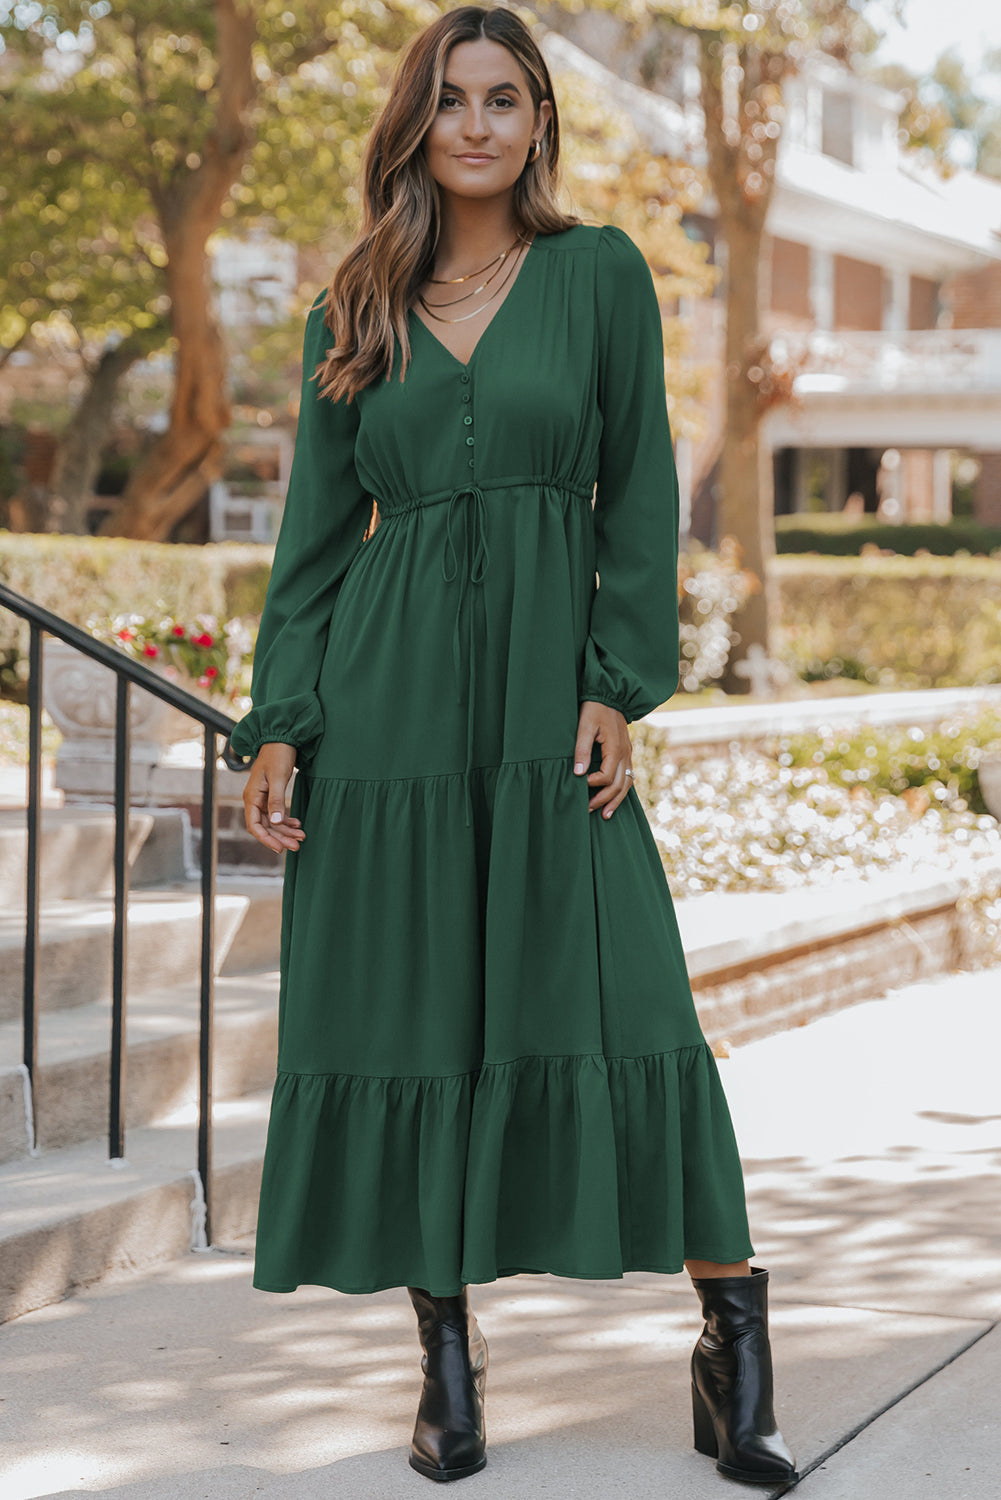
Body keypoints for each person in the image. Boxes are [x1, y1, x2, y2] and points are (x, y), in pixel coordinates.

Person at [228, 4, 797, 1488]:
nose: (475, 124)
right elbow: (312, 540)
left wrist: (617, 680)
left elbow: (638, 491)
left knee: (633, 1000)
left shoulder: (598, 273)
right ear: (414, 122)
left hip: (550, 701)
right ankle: (446, 1360)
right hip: (390, 710)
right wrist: (282, 720)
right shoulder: (354, 302)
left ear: (539, 119)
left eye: (502, 98)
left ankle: (732, 1346)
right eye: (450, 98)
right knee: (415, 1014)